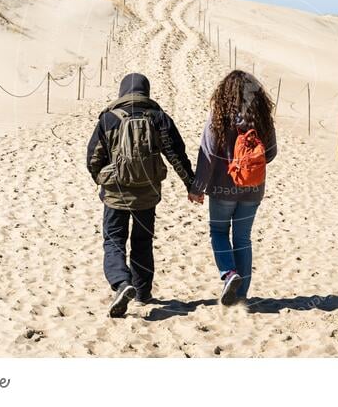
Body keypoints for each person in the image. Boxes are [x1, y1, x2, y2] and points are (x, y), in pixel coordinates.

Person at [86, 73, 195, 318]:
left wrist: (104, 180)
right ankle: (143, 292)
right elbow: (176, 154)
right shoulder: (158, 117)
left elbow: (93, 159)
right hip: (148, 193)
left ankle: (122, 284)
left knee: (114, 240)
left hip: (116, 193)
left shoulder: (109, 118)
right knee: (142, 241)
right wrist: (191, 184)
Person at [189, 70, 277, 306]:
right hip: (253, 190)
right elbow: (271, 153)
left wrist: (197, 187)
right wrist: (250, 165)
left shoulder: (218, 116)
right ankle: (242, 295)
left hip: (222, 188)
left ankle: (229, 274)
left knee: (218, 233)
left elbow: (207, 154)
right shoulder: (262, 119)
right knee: (242, 238)